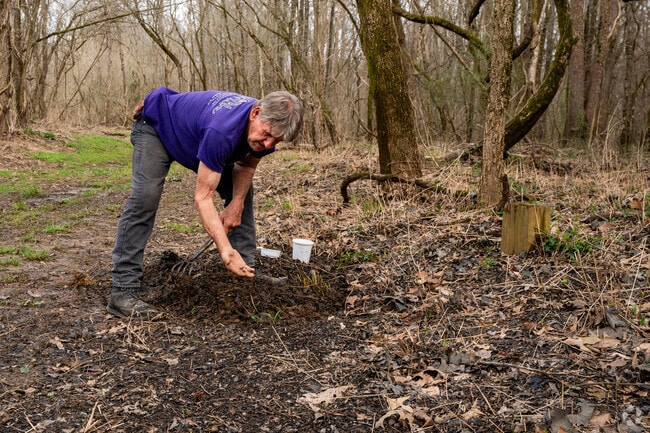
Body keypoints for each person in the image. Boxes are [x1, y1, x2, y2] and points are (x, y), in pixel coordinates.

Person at [108, 86, 304, 318]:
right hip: (156, 128)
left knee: (241, 193)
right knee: (145, 196)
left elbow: (246, 165)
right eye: (267, 134)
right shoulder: (223, 130)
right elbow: (202, 197)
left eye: (277, 140)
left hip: (192, 139)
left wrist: (236, 204)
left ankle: (245, 269)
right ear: (255, 113)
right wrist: (225, 249)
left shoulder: (260, 130)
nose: (269, 144)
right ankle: (123, 289)